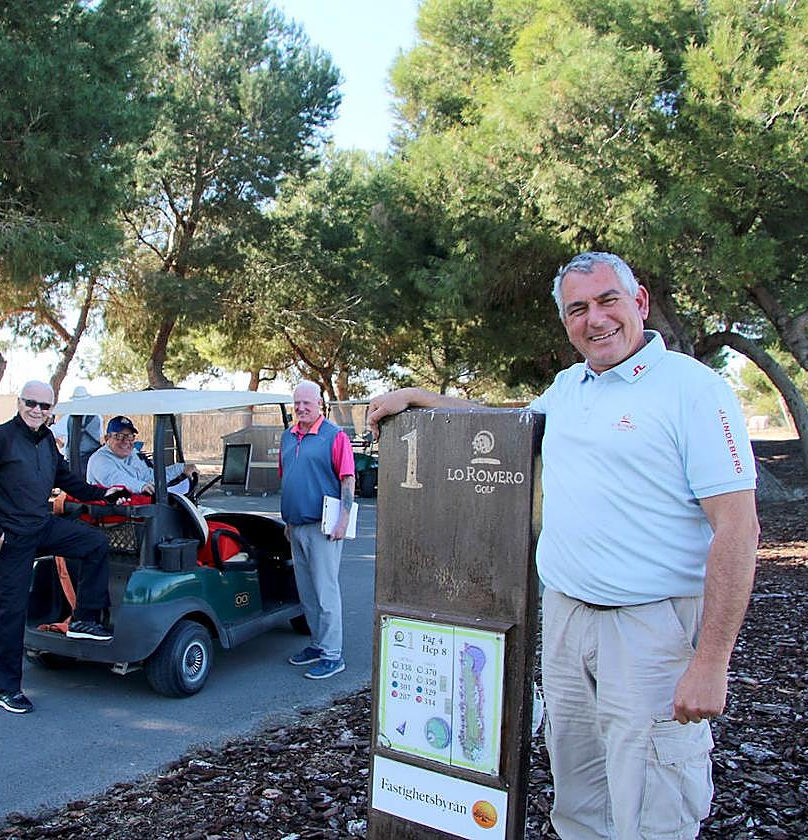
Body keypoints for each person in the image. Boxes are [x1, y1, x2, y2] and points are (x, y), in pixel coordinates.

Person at [366, 252, 760, 839]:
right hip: (568, 623)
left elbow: (738, 529)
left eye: (608, 301)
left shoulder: (693, 390)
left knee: (652, 808)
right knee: (580, 802)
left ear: (640, 303)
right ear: (565, 321)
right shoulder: (570, 387)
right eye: (578, 309)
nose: (595, 319)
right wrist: (421, 397)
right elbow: (506, 425)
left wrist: (711, 663)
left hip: (651, 633)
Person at [0, 380, 127, 714]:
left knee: (93, 543)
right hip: (8, 538)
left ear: (52, 410)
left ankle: (83, 620)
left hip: (40, 527)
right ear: (20, 403)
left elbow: (66, 480)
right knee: (11, 611)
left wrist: (102, 495)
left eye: (44, 406)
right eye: (31, 403)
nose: (36, 410)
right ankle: (6, 689)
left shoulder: (47, 440)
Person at [279, 380, 356, 680]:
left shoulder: (334, 437)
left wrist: (343, 520)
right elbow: (287, 479)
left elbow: (347, 480)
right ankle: (317, 644)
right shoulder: (288, 436)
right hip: (295, 527)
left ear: (320, 404)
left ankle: (333, 656)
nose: (300, 408)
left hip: (323, 527)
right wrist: (287, 523)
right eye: (297, 403)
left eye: (306, 403)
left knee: (326, 593)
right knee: (307, 593)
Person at [86, 415, 196, 496]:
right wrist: (142, 486)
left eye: (130, 437)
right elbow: (118, 480)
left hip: (140, 509)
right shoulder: (99, 460)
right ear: (107, 439)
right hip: (117, 517)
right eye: (119, 436)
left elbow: (150, 475)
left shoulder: (133, 454)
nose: (125, 441)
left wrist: (181, 468)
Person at [50, 385, 103, 475]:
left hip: (73, 464)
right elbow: (100, 437)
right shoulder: (97, 417)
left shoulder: (68, 418)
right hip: (92, 463)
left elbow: (51, 433)